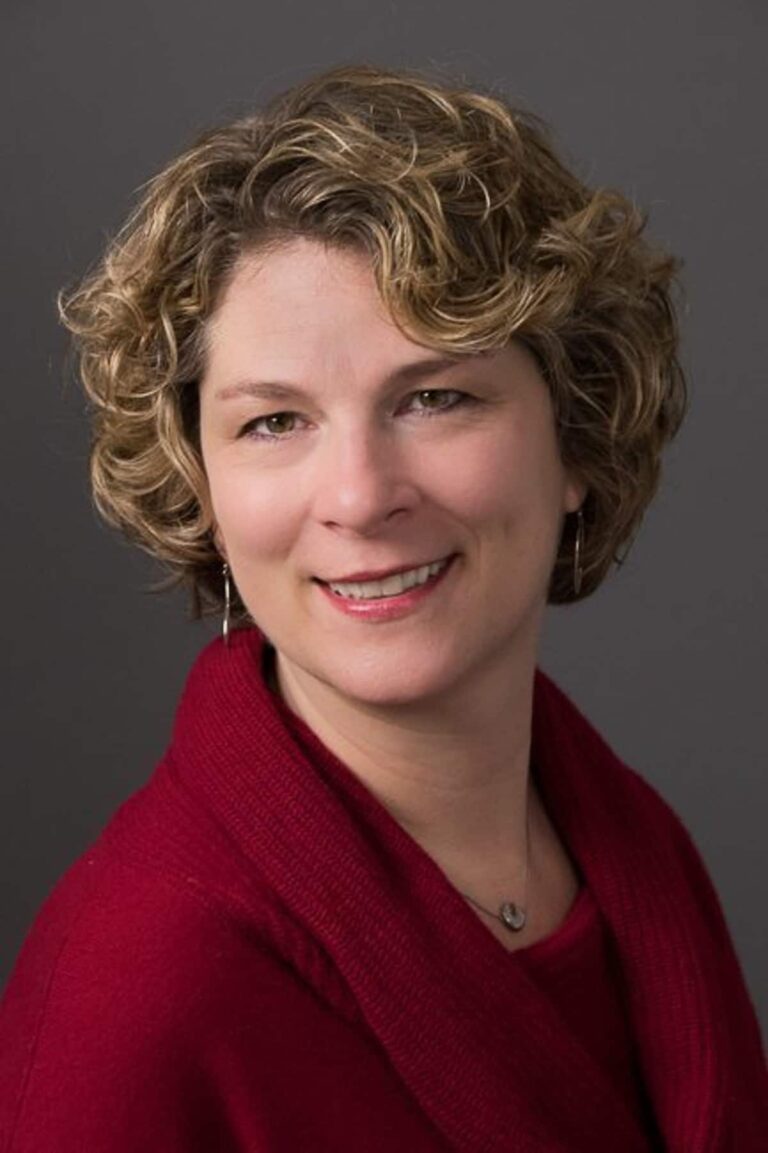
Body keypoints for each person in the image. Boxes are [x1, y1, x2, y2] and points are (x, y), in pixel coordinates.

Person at [0, 63, 764, 1152]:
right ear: (199, 485)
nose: (360, 496)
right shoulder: (138, 985)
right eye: (274, 422)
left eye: (435, 396)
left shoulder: (640, 859)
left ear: (577, 439)